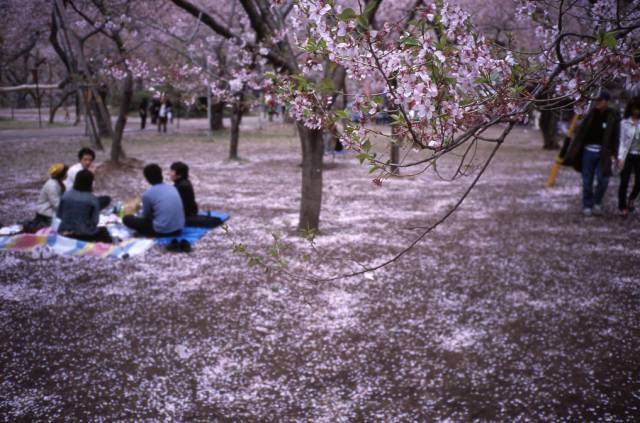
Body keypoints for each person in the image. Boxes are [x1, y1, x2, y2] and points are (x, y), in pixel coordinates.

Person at [564, 90, 621, 217]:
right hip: (588, 152)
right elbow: (580, 134)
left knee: (603, 180)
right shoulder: (590, 114)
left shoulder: (613, 116)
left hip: (604, 153)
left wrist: (616, 155)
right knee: (587, 181)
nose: (597, 103)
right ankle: (587, 204)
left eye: (600, 100)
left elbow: (616, 137)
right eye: (596, 100)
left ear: (606, 101)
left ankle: (597, 202)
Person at [123, 164, 185, 237]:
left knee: (127, 219)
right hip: (179, 227)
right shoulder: (172, 188)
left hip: (162, 231)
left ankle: (145, 232)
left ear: (147, 178)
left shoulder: (147, 195)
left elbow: (145, 216)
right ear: (161, 175)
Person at [57, 170, 113, 243]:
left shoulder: (65, 195)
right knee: (104, 232)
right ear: (90, 183)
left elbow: (59, 215)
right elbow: (95, 221)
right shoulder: (92, 199)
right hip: (84, 235)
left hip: (64, 232)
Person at [22, 163, 68, 233]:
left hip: (53, 211)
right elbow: (56, 204)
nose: (67, 174)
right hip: (46, 213)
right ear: (61, 174)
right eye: (65, 173)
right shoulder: (52, 186)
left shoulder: (59, 183)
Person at [617, 96, 640, 216]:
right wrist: (620, 158)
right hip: (628, 155)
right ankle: (622, 206)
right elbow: (621, 141)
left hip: (639, 155)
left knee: (639, 182)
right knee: (624, 182)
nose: (636, 112)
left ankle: (632, 199)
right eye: (634, 109)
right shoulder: (624, 123)